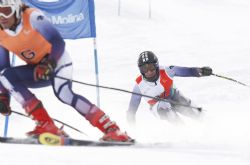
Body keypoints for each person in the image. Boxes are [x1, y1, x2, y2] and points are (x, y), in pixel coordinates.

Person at [0, 0, 132, 142]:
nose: (2, 16)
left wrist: (49, 64)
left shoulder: (32, 17)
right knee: (5, 75)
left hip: (57, 61)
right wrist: (4, 97)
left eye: (6, 11)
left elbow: (58, 42)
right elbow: (3, 68)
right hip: (37, 69)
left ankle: (112, 129)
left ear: (16, 9)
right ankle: (46, 124)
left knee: (65, 94)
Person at [127, 51, 213, 125]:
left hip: (173, 97)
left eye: (151, 67)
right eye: (144, 69)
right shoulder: (139, 86)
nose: (148, 72)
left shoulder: (167, 70)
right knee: (164, 106)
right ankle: (183, 129)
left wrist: (201, 71)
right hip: (157, 107)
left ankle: (209, 123)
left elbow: (187, 71)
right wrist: (132, 129)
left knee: (186, 104)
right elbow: (131, 111)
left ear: (156, 66)